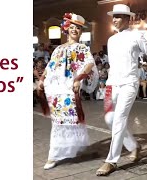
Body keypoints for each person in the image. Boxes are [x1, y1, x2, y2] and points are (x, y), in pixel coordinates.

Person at [95, 4, 147, 176]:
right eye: (114, 17)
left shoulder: (137, 36)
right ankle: (134, 146)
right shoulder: (111, 40)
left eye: (118, 16)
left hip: (129, 84)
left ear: (127, 18)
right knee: (110, 118)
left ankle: (111, 161)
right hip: (112, 84)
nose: (115, 20)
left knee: (118, 119)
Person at [36, 12, 98, 170]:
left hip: (69, 89)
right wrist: (42, 80)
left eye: (78, 28)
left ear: (81, 31)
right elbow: (50, 66)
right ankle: (54, 155)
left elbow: (90, 63)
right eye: (72, 27)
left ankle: (65, 151)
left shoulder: (82, 48)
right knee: (57, 122)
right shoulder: (58, 49)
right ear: (66, 29)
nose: (75, 30)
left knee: (71, 120)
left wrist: (79, 78)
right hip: (55, 91)